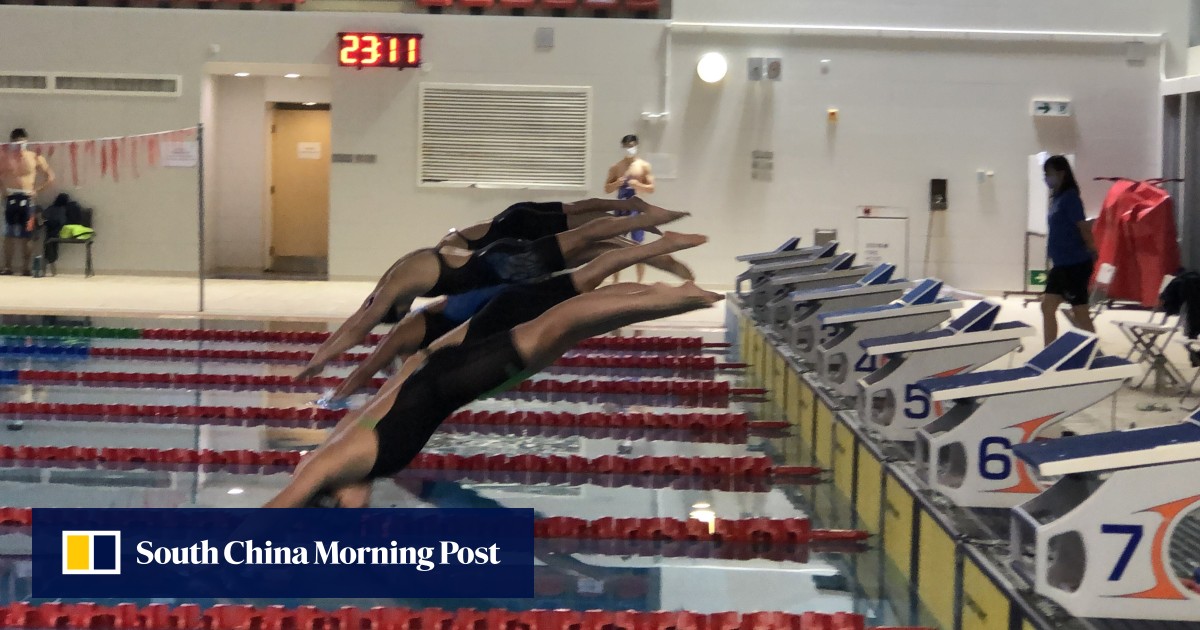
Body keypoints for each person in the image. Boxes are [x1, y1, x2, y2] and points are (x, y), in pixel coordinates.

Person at [264, 279, 723, 508]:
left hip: (447, 379)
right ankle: (656, 298)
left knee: (559, 322)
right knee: (564, 333)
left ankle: (668, 295)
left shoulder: (326, 466)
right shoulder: (351, 474)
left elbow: (273, 513)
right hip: (436, 375)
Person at [296, 198, 687, 379]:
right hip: (500, 260)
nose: (396, 312)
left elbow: (359, 326)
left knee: (584, 239)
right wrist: (324, 354)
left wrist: (321, 357)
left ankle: (651, 227)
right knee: (585, 243)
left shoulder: (398, 283)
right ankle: (656, 247)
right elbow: (358, 322)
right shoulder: (405, 271)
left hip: (505, 262)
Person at [324, 232, 704, 401]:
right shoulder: (437, 327)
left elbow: (366, 370)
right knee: (588, 267)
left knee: (589, 271)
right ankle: (663, 262)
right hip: (510, 285)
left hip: (509, 288)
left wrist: (333, 401)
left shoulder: (414, 334)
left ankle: (665, 270)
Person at [1041, 155, 1097, 346]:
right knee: (1047, 307)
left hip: (1075, 264)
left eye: (1049, 174)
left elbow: (1083, 227)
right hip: (1061, 264)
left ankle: (1092, 350)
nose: (1046, 178)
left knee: (1080, 313)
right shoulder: (1056, 198)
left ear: (1061, 173)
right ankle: (1047, 352)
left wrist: (1092, 251)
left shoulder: (1071, 197)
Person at [0, 129, 55, 276]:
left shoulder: (34, 157)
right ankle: (7, 267)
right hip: (10, 198)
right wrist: (3, 189)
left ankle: (26, 267)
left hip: (28, 198)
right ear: (11, 143)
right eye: (16, 143)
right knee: (8, 234)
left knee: (27, 233)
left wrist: (37, 190)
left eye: (22, 143)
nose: (19, 146)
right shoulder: (4, 157)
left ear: (26, 142)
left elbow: (50, 176)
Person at [604, 135, 656, 283]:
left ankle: (639, 282)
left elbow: (651, 188)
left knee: (639, 248)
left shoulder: (643, 166)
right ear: (623, 147)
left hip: (636, 210)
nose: (630, 148)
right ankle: (615, 282)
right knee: (616, 247)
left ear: (637, 145)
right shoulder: (616, 167)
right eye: (627, 145)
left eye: (632, 145)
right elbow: (607, 188)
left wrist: (638, 185)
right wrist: (616, 184)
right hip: (620, 210)